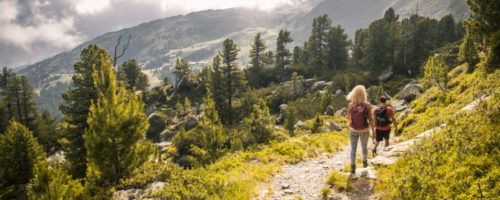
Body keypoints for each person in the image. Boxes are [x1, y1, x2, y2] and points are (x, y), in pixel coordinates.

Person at [346, 85, 375, 174]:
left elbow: (349, 118)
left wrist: (351, 127)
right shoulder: (368, 105)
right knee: (364, 147)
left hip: (353, 130)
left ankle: (353, 167)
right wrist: (373, 132)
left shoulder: (350, 105)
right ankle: (365, 164)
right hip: (364, 130)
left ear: (353, 93)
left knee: (353, 148)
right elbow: (371, 119)